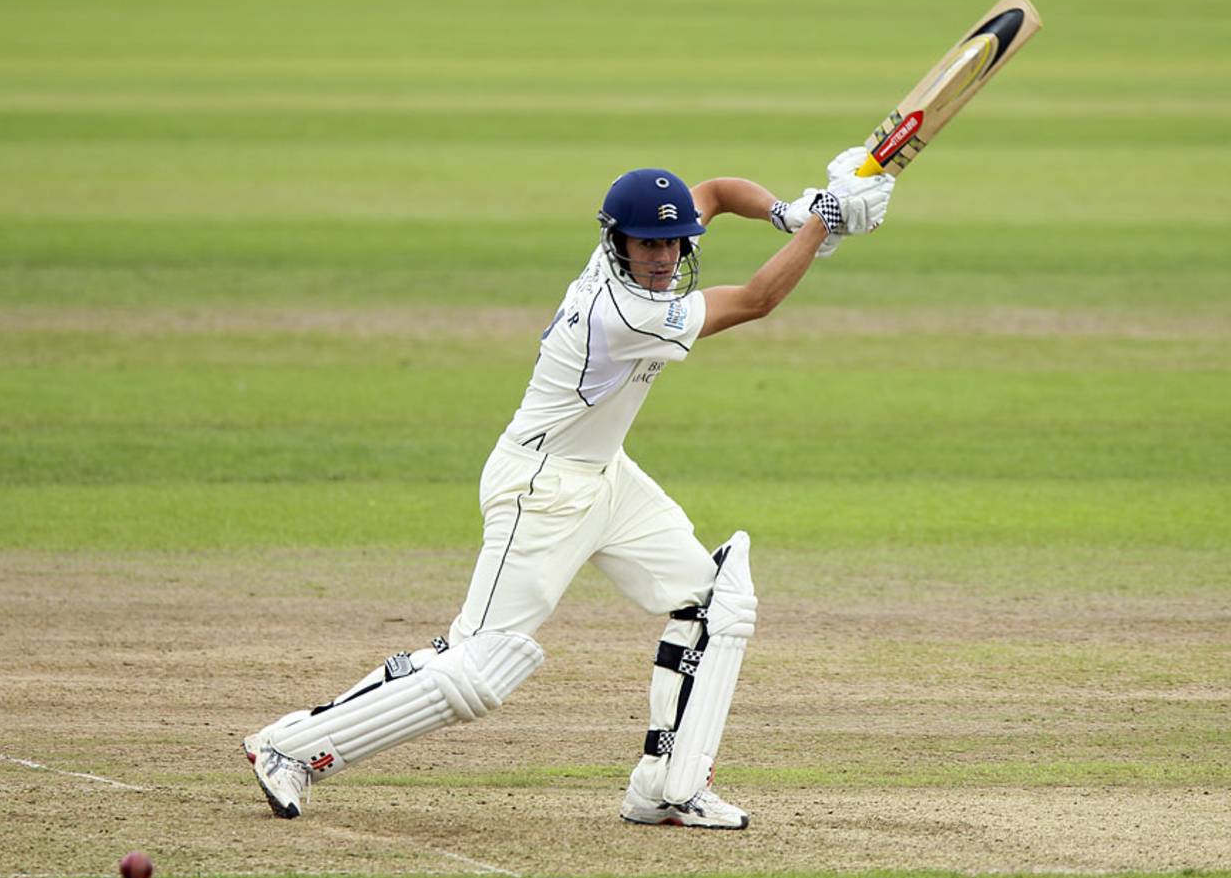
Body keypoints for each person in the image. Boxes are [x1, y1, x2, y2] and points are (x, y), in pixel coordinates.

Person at [243, 146, 894, 829]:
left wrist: (788, 214)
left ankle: (668, 788)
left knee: (716, 601)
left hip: (604, 474)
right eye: (648, 244)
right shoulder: (625, 313)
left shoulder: (638, 252)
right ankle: (290, 747)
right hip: (541, 487)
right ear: (617, 243)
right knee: (481, 666)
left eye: (674, 243)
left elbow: (714, 189)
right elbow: (756, 300)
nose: (664, 258)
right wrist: (825, 220)